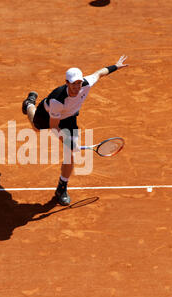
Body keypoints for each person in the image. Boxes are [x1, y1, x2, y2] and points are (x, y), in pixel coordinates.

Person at [21, 55, 129, 206]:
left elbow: (99, 73)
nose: (77, 87)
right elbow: (53, 126)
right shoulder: (57, 100)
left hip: (69, 117)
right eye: (73, 84)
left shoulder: (86, 83)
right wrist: (68, 141)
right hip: (47, 114)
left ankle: (61, 187)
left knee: (69, 153)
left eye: (79, 83)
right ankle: (29, 104)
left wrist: (115, 66)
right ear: (67, 83)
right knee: (36, 128)